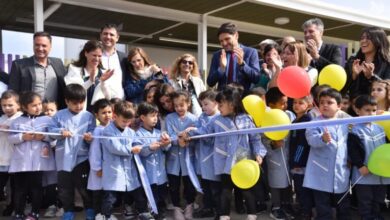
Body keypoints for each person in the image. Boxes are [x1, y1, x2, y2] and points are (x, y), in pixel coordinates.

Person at [182, 86, 267, 220]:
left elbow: (255, 138)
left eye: (221, 105)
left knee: (246, 190)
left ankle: (252, 215)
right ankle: (224, 216)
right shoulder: (216, 120)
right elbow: (204, 132)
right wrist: (189, 132)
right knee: (225, 191)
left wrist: (259, 153)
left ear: (232, 105)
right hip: (224, 163)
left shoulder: (246, 119)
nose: (219, 107)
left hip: (242, 162)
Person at [100, 101, 154, 220]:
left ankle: (143, 212)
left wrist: (143, 146)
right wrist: (131, 149)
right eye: (124, 121)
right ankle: (106, 215)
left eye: (129, 121)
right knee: (110, 197)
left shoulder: (130, 131)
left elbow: (136, 142)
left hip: (130, 170)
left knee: (138, 193)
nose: (127, 124)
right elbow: (114, 147)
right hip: (114, 170)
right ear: (115, 116)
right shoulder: (107, 131)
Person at [49, 84, 96, 220]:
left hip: (81, 158)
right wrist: (60, 133)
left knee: (84, 187)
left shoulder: (88, 116)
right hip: (63, 159)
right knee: (64, 188)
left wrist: (89, 137)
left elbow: (93, 133)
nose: (79, 106)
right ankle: (68, 210)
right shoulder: (58, 115)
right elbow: (50, 132)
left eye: (81, 102)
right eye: (74, 103)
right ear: (66, 101)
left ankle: (90, 209)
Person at [305, 88, 351, 220]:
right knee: (322, 204)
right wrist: (322, 139)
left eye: (329, 102)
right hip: (320, 171)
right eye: (322, 102)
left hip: (341, 170)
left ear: (339, 106)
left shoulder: (345, 122)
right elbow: (311, 140)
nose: (325, 105)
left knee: (343, 201)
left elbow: (352, 142)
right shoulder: (314, 122)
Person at [9, 92, 55, 220]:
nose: (38, 107)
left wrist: (44, 137)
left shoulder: (47, 120)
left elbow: (53, 137)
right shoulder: (17, 121)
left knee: (36, 188)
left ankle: (34, 213)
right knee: (20, 189)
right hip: (21, 161)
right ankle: (18, 212)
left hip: (38, 162)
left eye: (39, 104)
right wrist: (22, 137)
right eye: (34, 105)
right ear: (24, 107)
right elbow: (11, 138)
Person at [348, 95, 390, 220]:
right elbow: (353, 150)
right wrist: (360, 165)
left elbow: (386, 147)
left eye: (373, 110)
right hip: (364, 173)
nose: (371, 113)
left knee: (378, 198)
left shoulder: (380, 128)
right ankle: (366, 217)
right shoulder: (354, 130)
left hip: (379, 173)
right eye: (367, 110)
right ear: (357, 110)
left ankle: (376, 216)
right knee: (365, 200)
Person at [9, 31, 67, 109]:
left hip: (54, 113)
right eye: (37, 45)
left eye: (44, 45)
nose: (40, 48)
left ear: (50, 46)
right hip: (29, 114)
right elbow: (13, 92)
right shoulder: (19, 65)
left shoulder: (58, 63)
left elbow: (65, 87)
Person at [134, 102, 171, 219]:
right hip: (148, 175)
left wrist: (167, 143)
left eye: (157, 116)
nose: (155, 119)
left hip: (160, 174)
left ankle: (161, 214)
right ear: (143, 117)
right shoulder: (137, 134)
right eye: (152, 116)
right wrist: (149, 147)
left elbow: (167, 149)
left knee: (161, 196)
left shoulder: (160, 133)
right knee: (150, 197)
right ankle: (148, 214)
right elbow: (140, 152)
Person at [263, 87, 295, 220]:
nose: (286, 105)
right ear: (271, 105)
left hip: (288, 152)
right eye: (282, 103)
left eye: (286, 102)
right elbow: (263, 138)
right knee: (276, 181)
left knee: (288, 180)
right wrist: (272, 144)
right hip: (275, 155)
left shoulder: (289, 114)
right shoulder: (266, 117)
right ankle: (276, 206)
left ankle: (286, 204)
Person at [165, 91, 198, 220]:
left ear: (188, 104)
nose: (179, 108)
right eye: (176, 105)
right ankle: (177, 208)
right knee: (173, 185)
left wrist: (188, 139)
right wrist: (176, 140)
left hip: (189, 158)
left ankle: (189, 206)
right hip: (173, 159)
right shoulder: (169, 118)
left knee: (189, 185)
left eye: (181, 105)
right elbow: (168, 135)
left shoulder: (194, 119)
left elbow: (197, 136)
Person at [190, 89, 221, 219]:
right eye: (202, 104)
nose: (203, 107)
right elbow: (197, 129)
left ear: (216, 103)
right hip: (202, 158)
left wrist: (194, 131)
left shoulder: (219, 118)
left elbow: (207, 136)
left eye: (206, 104)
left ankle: (219, 211)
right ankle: (208, 208)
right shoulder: (202, 117)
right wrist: (191, 132)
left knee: (216, 188)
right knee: (206, 187)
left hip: (214, 159)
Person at [207, 22, 260, 92]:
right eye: (221, 41)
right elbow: (210, 82)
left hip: (242, 99)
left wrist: (242, 64)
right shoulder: (217, 55)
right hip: (223, 99)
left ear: (236, 36)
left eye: (227, 39)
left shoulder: (250, 52)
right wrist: (221, 69)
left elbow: (256, 79)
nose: (224, 43)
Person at [65, 40, 114, 111]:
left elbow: (108, 97)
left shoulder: (104, 72)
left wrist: (103, 82)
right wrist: (90, 81)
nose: (97, 59)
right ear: (86, 53)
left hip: (96, 116)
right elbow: (73, 93)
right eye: (94, 55)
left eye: (99, 56)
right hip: (79, 113)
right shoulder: (74, 69)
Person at [345, 26, 390, 98]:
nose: (363, 41)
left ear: (378, 41)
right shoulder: (352, 61)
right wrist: (354, 76)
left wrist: (371, 77)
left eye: (369, 38)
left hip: (375, 107)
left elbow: (388, 88)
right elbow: (342, 89)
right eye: (362, 38)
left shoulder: (387, 64)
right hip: (354, 106)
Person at [87, 99, 113, 219]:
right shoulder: (98, 130)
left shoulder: (113, 128)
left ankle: (105, 215)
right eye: (103, 112)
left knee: (108, 195)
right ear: (96, 115)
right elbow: (95, 152)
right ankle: (100, 215)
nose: (107, 115)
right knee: (99, 194)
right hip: (100, 170)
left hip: (110, 168)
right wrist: (97, 167)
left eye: (109, 112)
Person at [289, 96, 313, 220]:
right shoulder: (295, 121)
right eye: (294, 102)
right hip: (295, 160)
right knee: (298, 188)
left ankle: (306, 213)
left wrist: (296, 161)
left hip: (301, 162)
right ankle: (302, 209)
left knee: (303, 189)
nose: (296, 105)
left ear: (308, 105)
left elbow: (302, 144)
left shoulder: (306, 120)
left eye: (300, 103)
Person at [0, 91, 22, 215]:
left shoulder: (21, 119)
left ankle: (13, 206)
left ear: (18, 105)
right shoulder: (1, 118)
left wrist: (11, 129)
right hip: (2, 158)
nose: (7, 108)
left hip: (15, 158)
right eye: (4, 105)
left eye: (10, 105)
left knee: (15, 186)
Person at [41, 100, 61, 218]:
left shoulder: (59, 122)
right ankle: (50, 205)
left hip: (57, 154)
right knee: (48, 182)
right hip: (45, 156)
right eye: (46, 110)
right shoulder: (41, 122)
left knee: (58, 182)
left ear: (56, 111)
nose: (48, 112)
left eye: (51, 110)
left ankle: (59, 206)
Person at [99, 24, 127, 100]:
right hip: (99, 104)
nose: (108, 37)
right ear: (100, 35)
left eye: (111, 35)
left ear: (117, 38)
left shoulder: (124, 58)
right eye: (105, 34)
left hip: (120, 103)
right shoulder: (95, 56)